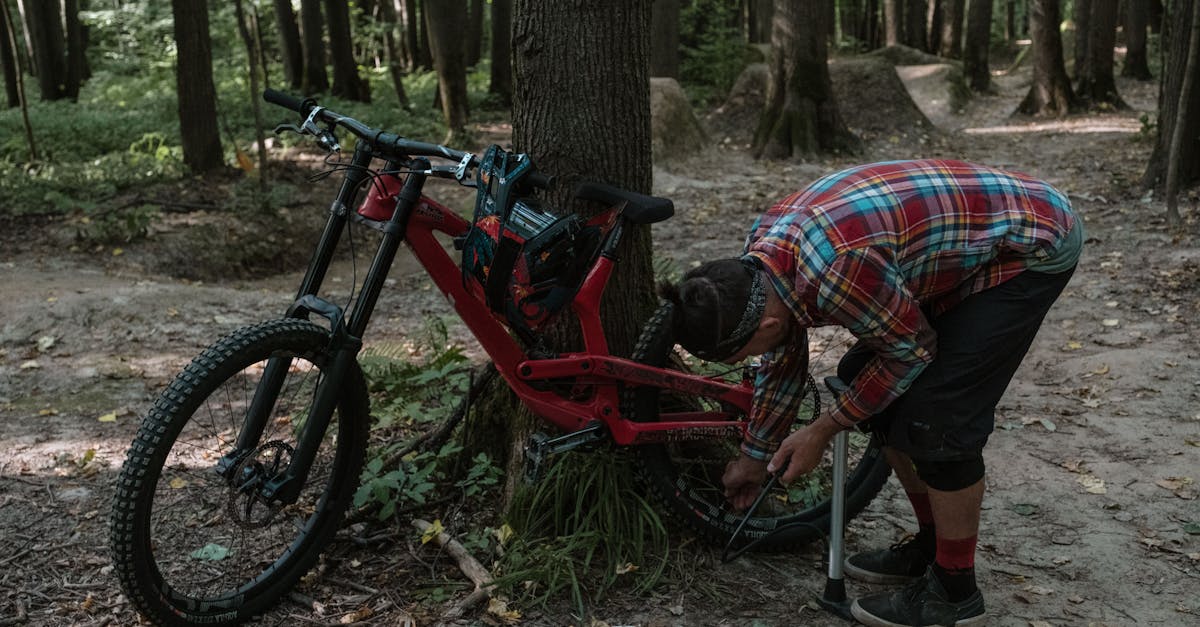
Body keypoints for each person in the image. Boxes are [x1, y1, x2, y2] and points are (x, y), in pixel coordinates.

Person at [659, 159, 1081, 627]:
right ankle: (930, 545)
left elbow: (911, 353)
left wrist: (823, 428)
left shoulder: (836, 270)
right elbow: (783, 360)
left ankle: (956, 591)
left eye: (741, 355)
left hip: (1032, 244)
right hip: (952, 238)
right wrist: (755, 457)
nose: (748, 363)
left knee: (939, 418)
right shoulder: (754, 266)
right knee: (866, 378)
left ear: (767, 324)